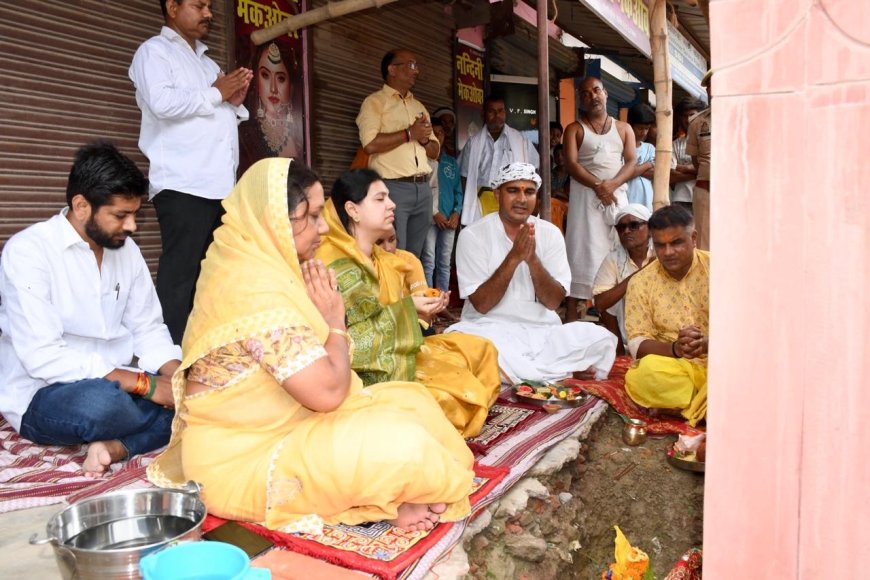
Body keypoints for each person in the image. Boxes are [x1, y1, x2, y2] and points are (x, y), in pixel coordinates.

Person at [147, 158, 474, 534]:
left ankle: (386, 495)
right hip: (242, 458)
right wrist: (335, 321)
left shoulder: (266, 265)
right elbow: (328, 393)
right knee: (404, 446)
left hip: (289, 425)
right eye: (314, 217)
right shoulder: (252, 288)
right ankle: (382, 499)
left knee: (414, 403)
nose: (324, 227)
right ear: (276, 220)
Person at [0, 142, 181, 477]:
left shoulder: (126, 250)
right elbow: (42, 356)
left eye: (135, 214)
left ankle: (116, 447)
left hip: (119, 381)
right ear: (81, 206)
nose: (132, 226)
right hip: (43, 394)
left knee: (198, 394)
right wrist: (146, 386)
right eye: (120, 215)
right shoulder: (28, 251)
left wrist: (179, 378)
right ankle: (156, 422)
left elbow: (148, 327)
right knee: (102, 405)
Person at [316, 169, 501, 438]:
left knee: (482, 349)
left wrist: (422, 310)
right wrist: (409, 309)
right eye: (380, 199)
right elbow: (352, 341)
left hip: (402, 351)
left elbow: (397, 313)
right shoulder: (336, 265)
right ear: (353, 210)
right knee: (453, 396)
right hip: (368, 373)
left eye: (389, 197)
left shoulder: (384, 258)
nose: (392, 204)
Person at [129, 0, 253, 344]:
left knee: (212, 277)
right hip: (183, 184)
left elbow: (214, 111)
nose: (208, 13)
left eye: (210, 6)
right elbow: (162, 103)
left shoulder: (208, 63)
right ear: (172, 7)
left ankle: (204, 349)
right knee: (180, 278)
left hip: (220, 187)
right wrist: (217, 93)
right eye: (199, 5)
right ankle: (168, 356)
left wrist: (232, 101)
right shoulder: (154, 52)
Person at [448, 162, 617, 384]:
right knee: (463, 342)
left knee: (599, 338)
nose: (521, 199)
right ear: (497, 195)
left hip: (541, 331)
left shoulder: (550, 234)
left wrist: (532, 260)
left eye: (529, 192)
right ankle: (557, 370)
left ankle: (532, 371)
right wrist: (514, 257)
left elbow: (553, 302)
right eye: (513, 190)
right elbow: (482, 304)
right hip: (488, 327)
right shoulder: (472, 235)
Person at [624, 205, 709, 426]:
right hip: (674, 367)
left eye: (676, 242)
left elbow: (744, 330)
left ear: (693, 238)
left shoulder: (720, 270)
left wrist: (706, 344)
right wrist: (676, 349)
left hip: (720, 362)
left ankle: (683, 407)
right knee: (643, 374)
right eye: (660, 245)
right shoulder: (641, 283)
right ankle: (709, 405)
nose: (668, 252)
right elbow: (637, 344)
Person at [563, 77, 637, 322]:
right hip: (585, 199)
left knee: (617, 246)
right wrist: (598, 186)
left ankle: (611, 312)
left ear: (605, 93)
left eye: (596, 90)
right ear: (580, 100)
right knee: (581, 248)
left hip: (616, 197)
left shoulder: (624, 128)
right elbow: (572, 165)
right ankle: (572, 310)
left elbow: (631, 162)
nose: (592, 96)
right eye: (586, 93)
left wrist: (611, 186)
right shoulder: (574, 129)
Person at [356, 49, 439, 259]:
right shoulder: (374, 103)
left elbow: (435, 152)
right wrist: (409, 133)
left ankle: (410, 282)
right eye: (411, 65)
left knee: (413, 257)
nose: (416, 71)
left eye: (416, 66)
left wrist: (423, 139)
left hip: (424, 189)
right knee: (392, 253)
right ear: (392, 69)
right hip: (393, 188)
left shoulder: (419, 106)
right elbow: (370, 144)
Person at [459, 95, 540, 225]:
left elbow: (534, 170)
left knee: (509, 235)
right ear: (483, 114)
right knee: (482, 235)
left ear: (505, 113)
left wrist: (533, 199)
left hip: (511, 199)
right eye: (492, 111)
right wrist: (467, 201)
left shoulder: (521, 141)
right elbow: (464, 176)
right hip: (480, 202)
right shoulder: (473, 143)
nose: (497, 115)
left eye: (501, 111)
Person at [592, 204, 657, 355]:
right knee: (609, 301)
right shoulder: (614, 258)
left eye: (633, 225)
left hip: (660, 320)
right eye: (621, 228)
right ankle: (619, 351)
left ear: (650, 230)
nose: (626, 231)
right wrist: (638, 275)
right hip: (630, 328)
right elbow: (600, 303)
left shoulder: (661, 253)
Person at [238, 40, 303, 176]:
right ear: (256, 80)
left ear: (290, 85)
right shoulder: (245, 132)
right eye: (265, 75)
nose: (273, 88)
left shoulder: (299, 134)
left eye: (281, 78)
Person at [421, 118, 463, 292]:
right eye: (434, 133)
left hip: (449, 220)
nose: (438, 136)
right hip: (429, 219)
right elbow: (421, 191)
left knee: (444, 263)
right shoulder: (421, 159)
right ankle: (430, 301)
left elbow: (458, 191)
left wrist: (456, 213)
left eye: (441, 133)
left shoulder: (451, 162)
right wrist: (434, 213)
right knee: (428, 261)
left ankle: (443, 301)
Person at [686, 72, 713, 250]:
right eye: (710, 86)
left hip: (738, 191)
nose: (712, 89)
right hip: (706, 189)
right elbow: (695, 160)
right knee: (705, 245)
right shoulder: (697, 122)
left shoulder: (745, 115)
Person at [670, 97, 705, 212]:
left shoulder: (710, 140)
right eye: (684, 116)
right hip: (681, 199)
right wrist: (700, 171)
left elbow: (713, 168)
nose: (688, 119)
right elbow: (671, 174)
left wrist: (684, 168)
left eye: (692, 114)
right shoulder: (675, 144)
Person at [625, 103, 657, 211]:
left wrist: (630, 170)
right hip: (627, 198)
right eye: (640, 128)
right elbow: (619, 172)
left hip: (646, 201)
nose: (644, 132)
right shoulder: (621, 147)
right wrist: (648, 164)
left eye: (647, 128)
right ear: (630, 125)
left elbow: (655, 174)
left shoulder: (650, 148)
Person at [550, 144, 570, 234]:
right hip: (554, 207)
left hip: (568, 207)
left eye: (562, 154)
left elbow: (572, 196)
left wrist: (557, 193)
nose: (560, 157)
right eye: (557, 155)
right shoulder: (550, 173)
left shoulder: (572, 174)